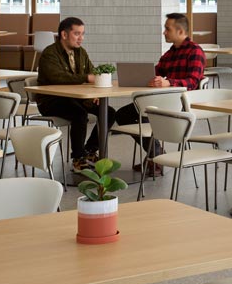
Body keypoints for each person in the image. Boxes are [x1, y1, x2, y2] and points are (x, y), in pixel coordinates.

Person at [115, 14, 206, 170]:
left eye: (167, 29)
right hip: (162, 101)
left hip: (180, 104)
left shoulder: (195, 51)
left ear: (180, 31)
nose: (164, 32)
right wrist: (145, 77)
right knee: (123, 114)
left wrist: (169, 82)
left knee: (142, 113)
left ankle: (155, 156)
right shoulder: (171, 53)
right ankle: (156, 155)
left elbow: (193, 82)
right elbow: (155, 71)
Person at [36, 17, 116, 172]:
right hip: (51, 101)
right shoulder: (49, 54)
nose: (81, 38)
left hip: (76, 99)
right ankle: (78, 158)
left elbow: (93, 72)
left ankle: (90, 151)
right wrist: (86, 78)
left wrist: (95, 92)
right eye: (77, 34)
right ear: (64, 35)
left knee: (108, 112)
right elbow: (57, 78)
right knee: (79, 114)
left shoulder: (81, 53)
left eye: (83, 34)